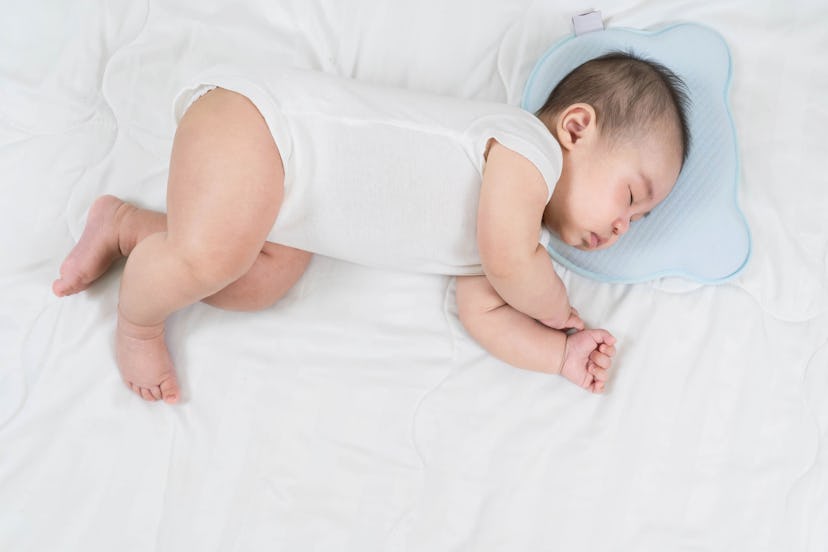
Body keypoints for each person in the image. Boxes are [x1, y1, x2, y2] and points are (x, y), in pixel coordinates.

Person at [51, 52, 690, 404]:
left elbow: (487, 315)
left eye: (640, 219)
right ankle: (137, 321)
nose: (624, 226)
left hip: (285, 212)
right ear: (576, 129)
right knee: (206, 259)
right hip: (264, 127)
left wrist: (558, 353)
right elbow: (510, 260)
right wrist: (558, 307)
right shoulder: (526, 150)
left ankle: (128, 226)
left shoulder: (515, 246)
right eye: (631, 196)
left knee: (257, 281)